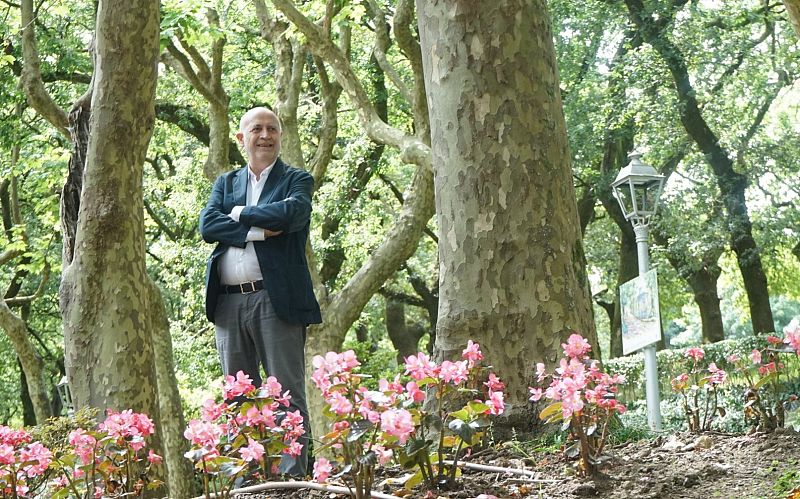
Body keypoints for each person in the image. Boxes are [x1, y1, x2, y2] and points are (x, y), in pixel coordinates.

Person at [199, 107, 322, 476]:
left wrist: (236, 214)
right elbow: (207, 224)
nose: (265, 135)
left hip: (275, 300)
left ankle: (292, 479)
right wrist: (256, 226)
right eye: (257, 129)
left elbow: (293, 215)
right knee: (240, 395)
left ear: (280, 136)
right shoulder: (226, 183)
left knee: (286, 393)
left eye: (272, 129)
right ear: (242, 138)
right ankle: (249, 478)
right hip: (228, 303)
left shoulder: (297, 179)